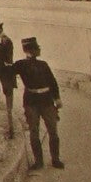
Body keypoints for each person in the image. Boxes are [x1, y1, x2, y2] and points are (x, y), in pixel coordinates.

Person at [9, 36, 63, 169]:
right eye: (36, 48)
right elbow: (7, 72)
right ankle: (39, 162)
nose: (39, 50)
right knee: (34, 131)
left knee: (53, 131)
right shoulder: (20, 64)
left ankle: (55, 159)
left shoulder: (43, 65)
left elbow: (52, 82)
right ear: (30, 50)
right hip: (31, 101)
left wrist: (57, 98)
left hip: (47, 101)